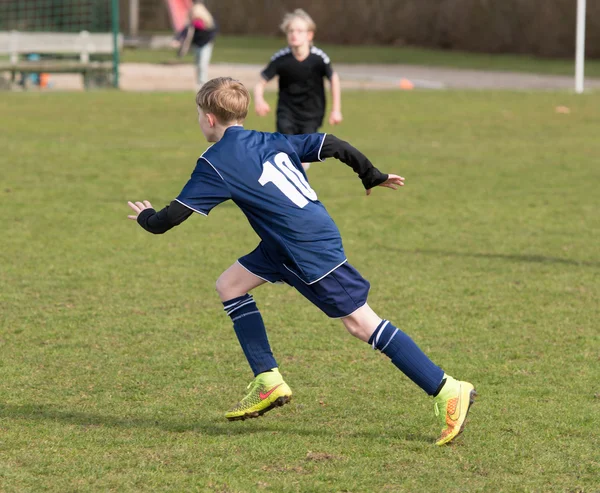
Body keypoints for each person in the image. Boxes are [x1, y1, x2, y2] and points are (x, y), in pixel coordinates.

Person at [126, 77, 476, 446]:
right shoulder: (271, 139)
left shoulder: (215, 162)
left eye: (198, 113)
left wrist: (148, 217)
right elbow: (332, 144)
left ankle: (446, 388)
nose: (198, 120)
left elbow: (169, 220)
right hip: (284, 243)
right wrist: (370, 174)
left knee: (361, 323)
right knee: (229, 285)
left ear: (210, 119)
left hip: (306, 248)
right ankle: (268, 380)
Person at [254, 9, 342, 170]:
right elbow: (261, 82)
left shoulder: (319, 58)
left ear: (309, 35)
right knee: (286, 153)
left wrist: (336, 110)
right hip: (286, 112)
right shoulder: (281, 58)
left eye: (299, 31)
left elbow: (333, 79)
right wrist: (259, 100)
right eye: (291, 31)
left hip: (312, 114)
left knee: (303, 157)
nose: (294, 34)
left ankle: (298, 183)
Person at [172, 1, 217, 88]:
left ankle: (203, 82)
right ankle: (199, 81)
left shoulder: (208, 23)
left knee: (202, 64)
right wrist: (177, 40)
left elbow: (212, 33)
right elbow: (184, 32)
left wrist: (208, 40)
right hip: (197, 45)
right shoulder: (193, 23)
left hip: (206, 45)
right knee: (198, 64)